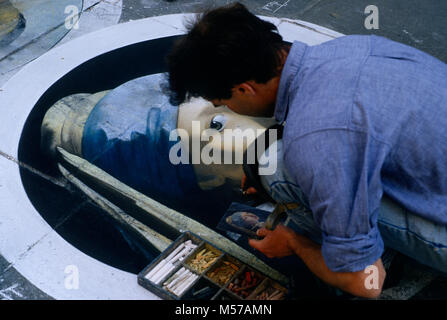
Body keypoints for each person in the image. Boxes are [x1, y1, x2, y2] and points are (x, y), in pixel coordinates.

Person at [166, 3, 447, 298]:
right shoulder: (349, 48)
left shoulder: (316, 141)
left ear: (245, 89)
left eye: (222, 105)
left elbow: (367, 285)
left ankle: (353, 258)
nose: (226, 110)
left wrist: (294, 244)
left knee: (278, 169)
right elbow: (349, 124)